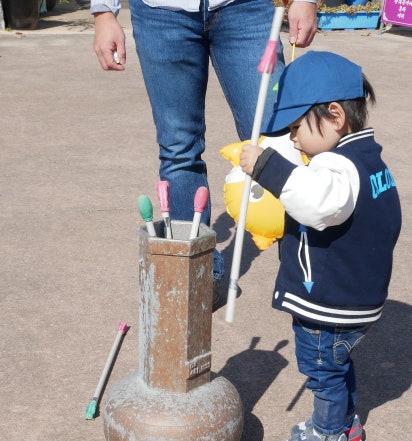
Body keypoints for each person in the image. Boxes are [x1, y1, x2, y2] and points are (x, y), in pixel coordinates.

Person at [90, 0, 318, 309]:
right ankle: (197, 272)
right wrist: (104, 12)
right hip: (161, 14)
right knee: (178, 149)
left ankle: (305, 267)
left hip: (247, 8)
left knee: (277, 138)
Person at [239, 51, 402, 441]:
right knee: (337, 363)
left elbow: (316, 205)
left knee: (321, 369)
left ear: (334, 115)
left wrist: (268, 169)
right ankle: (346, 424)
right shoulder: (367, 160)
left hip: (330, 299)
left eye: (296, 128)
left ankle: (327, 438)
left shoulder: (336, 165)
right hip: (358, 294)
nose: (293, 139)